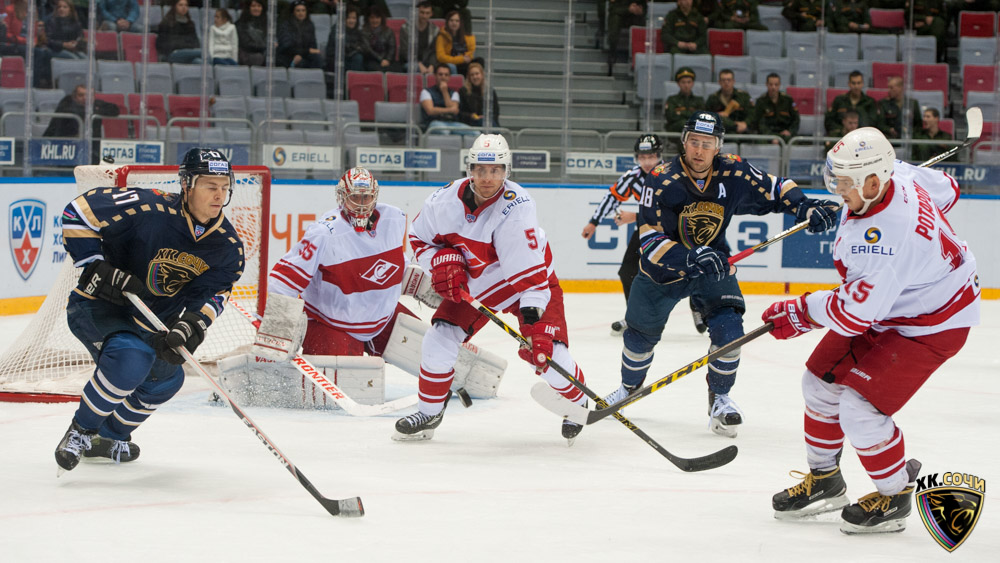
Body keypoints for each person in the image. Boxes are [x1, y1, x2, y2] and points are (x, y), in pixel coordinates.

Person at [765, 127, 979, 534]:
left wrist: (799, 312)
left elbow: (853, 315)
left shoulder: (887, 243)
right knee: (818, 383)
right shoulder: (898, 174)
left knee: (859, 409)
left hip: (932, 322)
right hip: (895, 302)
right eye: (835, 178)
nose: (837, 189)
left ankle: (895, 495)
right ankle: (825, 480)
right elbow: (948, 190)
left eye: (844, 182)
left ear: (873, 182)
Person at [604, 111, 838, 438]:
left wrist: (805, 207)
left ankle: (720, 399)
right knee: (638, 340)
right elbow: (649, 241)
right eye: (694, 142)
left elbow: (778, 186)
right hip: (662, 272)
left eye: (707, 143)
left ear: (718, 146)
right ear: (684, 142)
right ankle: (628, 388)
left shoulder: (734, 170)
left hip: (712, 266)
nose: (699, 150)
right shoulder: (659, 178)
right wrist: (689, 255)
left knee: (730, 331)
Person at [53, 148, 244, 473]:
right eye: (210, 186)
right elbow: (78, 212)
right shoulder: (148, 206)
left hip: (152, 321)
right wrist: (96, 266)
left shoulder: (227, 246)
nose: (219, 195)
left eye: (225, 187)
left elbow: (215, 293)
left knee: (167, 379)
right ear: (186, 184)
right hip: (99, 306)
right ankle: (81, 431)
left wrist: (192, 324)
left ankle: (109, 438)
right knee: (132, 358)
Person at [252, 167, 506, 405]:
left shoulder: (393, 219)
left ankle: (464, 382)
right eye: (355, 197)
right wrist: (276, 326)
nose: (362, 204)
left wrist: (420, 283)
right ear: (342, 198)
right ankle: (266, 381)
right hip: (334, 323)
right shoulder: (323, 233)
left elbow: (392, 263)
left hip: (383, 318)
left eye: (367, 197)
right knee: (339, 397)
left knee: (438, 349)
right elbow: (283, 280)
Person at [397, 133, 591, 443]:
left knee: (546, 354)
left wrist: (533, 320)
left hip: (530, 284)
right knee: (439, 337)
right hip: (480, 286)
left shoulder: (517, 207)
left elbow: (530, 276)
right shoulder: (442, 202)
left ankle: (579, 403)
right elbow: (419, 240)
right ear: (470, 169)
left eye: (496, 170)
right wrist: (441, 260)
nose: (488, 178)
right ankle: (429, 411)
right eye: (481, 170)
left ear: (506, 171)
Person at [580, 134, 710, 337]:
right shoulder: (634, 176)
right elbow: (613, 196)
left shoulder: (674, 174)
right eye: (642, 157)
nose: (647, 162)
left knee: (692, 268)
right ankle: (636, 317)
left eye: (651, 157)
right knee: (627, 271)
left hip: (680, 231)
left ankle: (697, 307)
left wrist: (634, 216)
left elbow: (677, 211)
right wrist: (594, 221)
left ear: (659, 155)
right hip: (648, 230)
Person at [43, 84, 121, 138]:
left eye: (88, 95)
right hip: (66, 142)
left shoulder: (97, 104)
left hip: (92, 145)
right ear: (74, 97)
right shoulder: (67, 101)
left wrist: (96, 111)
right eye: (81, 95)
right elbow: (70, 110)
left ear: (94, 97)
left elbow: (115, 110)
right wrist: (93, 111)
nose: (85, 98)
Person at [420, 63, 475, 135]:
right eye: (440, 74)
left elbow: (455, 111)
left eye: (446, 75)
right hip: (434, 122)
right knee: (445, 131)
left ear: (449, 77)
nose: (443, 77)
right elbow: (430, 111)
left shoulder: (454, 93)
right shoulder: (426, 92)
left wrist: (444, 91)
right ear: (435, 75)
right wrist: (450, 110)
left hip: (452, 123)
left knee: (475, 133)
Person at [824, 71, 877, 137]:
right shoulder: (839, 100)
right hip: (841, 136)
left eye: (858, 83)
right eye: (853, 83)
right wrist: (841, 130)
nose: (856, 86)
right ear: (849, 84)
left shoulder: (869, 102)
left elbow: (872, 123)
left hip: (862, 136)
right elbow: (829, 121)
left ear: (862, 84)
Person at [751, 73, 799, 144]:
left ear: (779, 85)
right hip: (767, 134)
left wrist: (790, 131)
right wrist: (771, 136)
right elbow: (759, 122)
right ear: (766, 84)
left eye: (776, 84)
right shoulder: (761, 101)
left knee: (793, 142)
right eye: (771, 84)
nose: (773, 87)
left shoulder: (788, 100)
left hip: (784, 133)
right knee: (760, 142)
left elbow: (796, 119)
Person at [705, 68, 753, 134]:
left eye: (729, 80)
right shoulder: (713, 98)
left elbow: (752, 113)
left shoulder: (743, 96)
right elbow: (707, 116)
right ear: (719, 82)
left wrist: (745, 123)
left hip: (742, 131)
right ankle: (734, 126)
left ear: (733, 81)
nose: (726, 82)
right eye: (723, 80)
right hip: (720, 132)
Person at [277, 0, 323, 68]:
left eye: (303, 10)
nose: (301, 13)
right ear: (293, 12)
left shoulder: (310, 25)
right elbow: (286, 47)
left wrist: (302, 54)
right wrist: (306, 51)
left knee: (317, 58)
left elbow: (313, 45)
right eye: (298, 11)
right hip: (288, 56)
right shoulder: (286, 25)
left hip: (304, 55)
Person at [156, 0, 202, 64]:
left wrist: (183, 44)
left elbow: (196, 43)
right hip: (173, 54)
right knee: (203, 53)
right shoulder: (166, 23)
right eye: (181, 5)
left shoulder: (191, 24)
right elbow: (161, 44)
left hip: (189, 53)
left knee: (200, 62)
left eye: (186, 5)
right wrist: (185, 44)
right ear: (175, 6)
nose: (184, 7)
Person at [399, 0, 438, 77]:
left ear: (431, 14)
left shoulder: (435, 30)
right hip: (410, 62)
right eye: (422, 12)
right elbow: (405, 51)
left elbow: (434, 51)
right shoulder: (406, 28)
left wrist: (432, 65)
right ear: (416, 13)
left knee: (446, 68)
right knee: (414, 68)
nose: (424, 16)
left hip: (428, 62)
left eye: (427, 13)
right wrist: (418, 64)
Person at [606, 0, 646, 72]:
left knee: (642, 20)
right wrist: (628, 9)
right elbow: (612, 9)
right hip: (620, 16)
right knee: (615, 19)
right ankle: (612, 52)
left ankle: (640, 56)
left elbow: (644, 7)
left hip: (635, 16)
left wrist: (640, 10)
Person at [664, 67, 706, 134]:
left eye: (689, 82)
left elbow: (701, 118)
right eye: (683, 82)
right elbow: (671, 117)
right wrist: (691, 114)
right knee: (682, 123)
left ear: (692, 83)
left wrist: (680, 113)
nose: (686, 85)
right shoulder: (672, 99)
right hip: (675, 133)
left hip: (695, 133)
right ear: (678, 84)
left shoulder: (699, 100)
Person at [458, 61, 500, 128]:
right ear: (469, 77)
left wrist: (485, 117)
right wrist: (471, 116)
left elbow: (495, 112)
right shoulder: (463, 91)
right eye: (472, 75)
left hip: (487, 122)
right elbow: (460, 112)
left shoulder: (489, 91)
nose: (475, 77)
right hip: (470, 123)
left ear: (482, 75)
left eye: (477, 74)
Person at [435, 9, 474, 77]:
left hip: (463, 63)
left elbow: (470, 53)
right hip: (449, 63)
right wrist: (461, 59)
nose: (454, 23)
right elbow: (440, 57)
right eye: (451, 20)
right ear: (447, 22)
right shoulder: (442, 36)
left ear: (460, 23)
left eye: (457, 21)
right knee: (452, 66)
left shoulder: (467, 36)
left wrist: (467, 58)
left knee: (478, 62)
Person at [325, 5, 364, 73]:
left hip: (350, 58)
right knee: (358, 58)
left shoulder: (357, 31)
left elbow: (362, 45)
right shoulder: (337, 29)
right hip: (336, 60)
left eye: (354, 18)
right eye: (349, 18)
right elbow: (342, 47)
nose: (351, 21)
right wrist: (355, 48)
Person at [360, 4, 396, 72]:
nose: (375, 20)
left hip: (387, 61)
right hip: (371, 60)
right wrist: (381, 59)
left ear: (381, 18)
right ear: (368, 19)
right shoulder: (364, 32)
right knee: (377, 70)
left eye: (377, 17)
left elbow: (392, 48)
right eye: (372, 17)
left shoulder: (388, 31)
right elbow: (368, 50)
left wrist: (387, 60)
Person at [236, 0, 268, 66]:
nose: (256, 8)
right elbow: (246, 44)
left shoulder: (267, 24)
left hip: (264, 54)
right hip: (247, 55)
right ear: (248, 8)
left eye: (259, 6)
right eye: (253, 6)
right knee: (259, 57)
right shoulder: (240, 24)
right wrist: (266, 46)